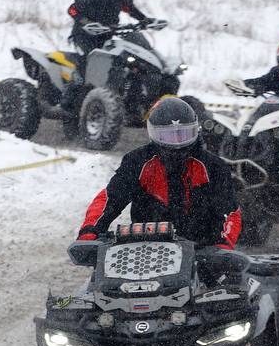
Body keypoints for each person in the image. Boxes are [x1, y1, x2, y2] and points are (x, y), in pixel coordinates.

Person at [77, 96, 243, 269]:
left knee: (231, 284)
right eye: (168, 136)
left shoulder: (214, 167)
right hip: (146, 251)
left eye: (183, 134)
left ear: (196, 131)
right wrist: (90, 231)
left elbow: (229, 211)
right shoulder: (137, 161)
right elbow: (111, 197)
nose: (177, 144)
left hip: (202, 253)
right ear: (153, 133)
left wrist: (222, 246)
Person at [66, 0, 164, 57]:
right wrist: (88, 23)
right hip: (84, 36)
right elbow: (72, 10)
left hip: (106, 34)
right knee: (90, 62)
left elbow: (130, 9)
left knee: (117, 61)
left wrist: (145, 20)